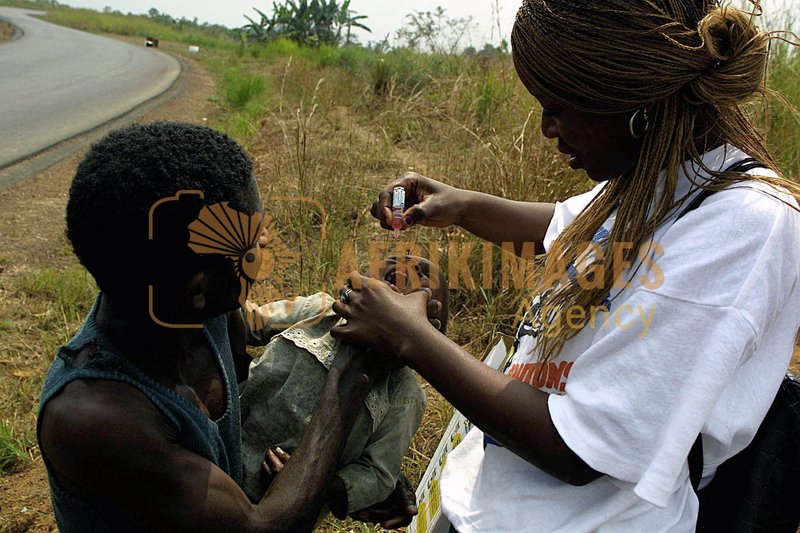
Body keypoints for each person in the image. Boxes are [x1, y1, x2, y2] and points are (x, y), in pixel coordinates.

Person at [328, 1, 800, 531]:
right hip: (496, 502)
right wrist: (459, 205)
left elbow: (576, 451)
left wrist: (409, 336)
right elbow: (568, 231)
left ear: (635, 104)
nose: (547, 129)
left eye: (557, 108)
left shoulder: (746, 223)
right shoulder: (661, 176)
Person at [36, 121, 419, 532]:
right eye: (252, 240)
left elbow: (247, 395)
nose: (264, 242)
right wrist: (352, 374)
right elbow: (262, 528)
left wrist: (353, 472)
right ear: (199, 289)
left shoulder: (196, 310)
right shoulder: (98, 421)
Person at [238, 256, 448, 522]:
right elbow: (250, 321)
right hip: (229, 445)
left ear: (431, 328)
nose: (408, 265)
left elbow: (378, 474)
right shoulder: (319, 311)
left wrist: (313, 484)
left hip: (281, 511)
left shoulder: (405, 395)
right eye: (394, 258)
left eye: (424, 275)